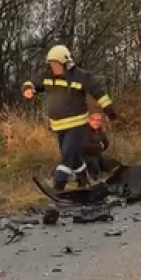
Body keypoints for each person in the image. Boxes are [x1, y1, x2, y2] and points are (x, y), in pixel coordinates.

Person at [21, 45, 117, 190]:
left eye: (56, 64)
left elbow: (98, 91)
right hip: (59, 127)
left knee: (66, 158)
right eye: (51, 64)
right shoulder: (47, 76)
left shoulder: (80, 77)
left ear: (66, 64)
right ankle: (85, 182)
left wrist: (109, 111)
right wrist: (28, 89)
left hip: (77, 126)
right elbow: (31, 83)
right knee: (74, 158)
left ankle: (58, 188)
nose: (53, 67)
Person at [83, 112, 120, 181]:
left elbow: (105, 142)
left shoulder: (99, 130)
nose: (97, 122)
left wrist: (103, 146)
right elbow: (85, 146)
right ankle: (93, 179)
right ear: (90, 120)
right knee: (94, 164)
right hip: (86, 157)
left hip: (98, 155)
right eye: (95, 120)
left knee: (110, 165)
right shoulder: (85, 131)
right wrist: (99, 146)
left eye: (99, 120)